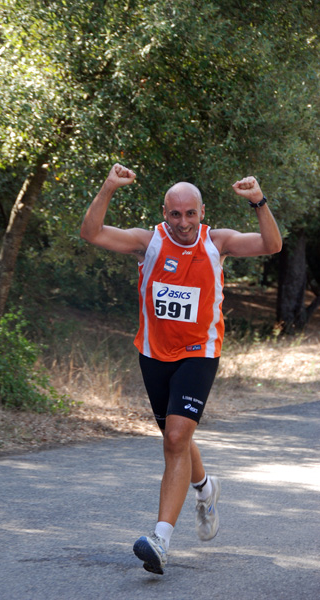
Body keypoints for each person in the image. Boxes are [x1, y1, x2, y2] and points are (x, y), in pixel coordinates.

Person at [80, 163, 282, 575]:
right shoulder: (147, 242)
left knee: (175, 436)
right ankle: (205, 489)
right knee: (177, 436)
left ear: (202, 213)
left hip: (199, 352)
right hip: (154, 354)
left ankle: (160, 540)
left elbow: (271, 245)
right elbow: (91, 233)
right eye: (176, 214)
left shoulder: (217, 242)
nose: (184, 222)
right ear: (165, 212)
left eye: (191, 214)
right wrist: (107, 187)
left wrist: (258, 201)